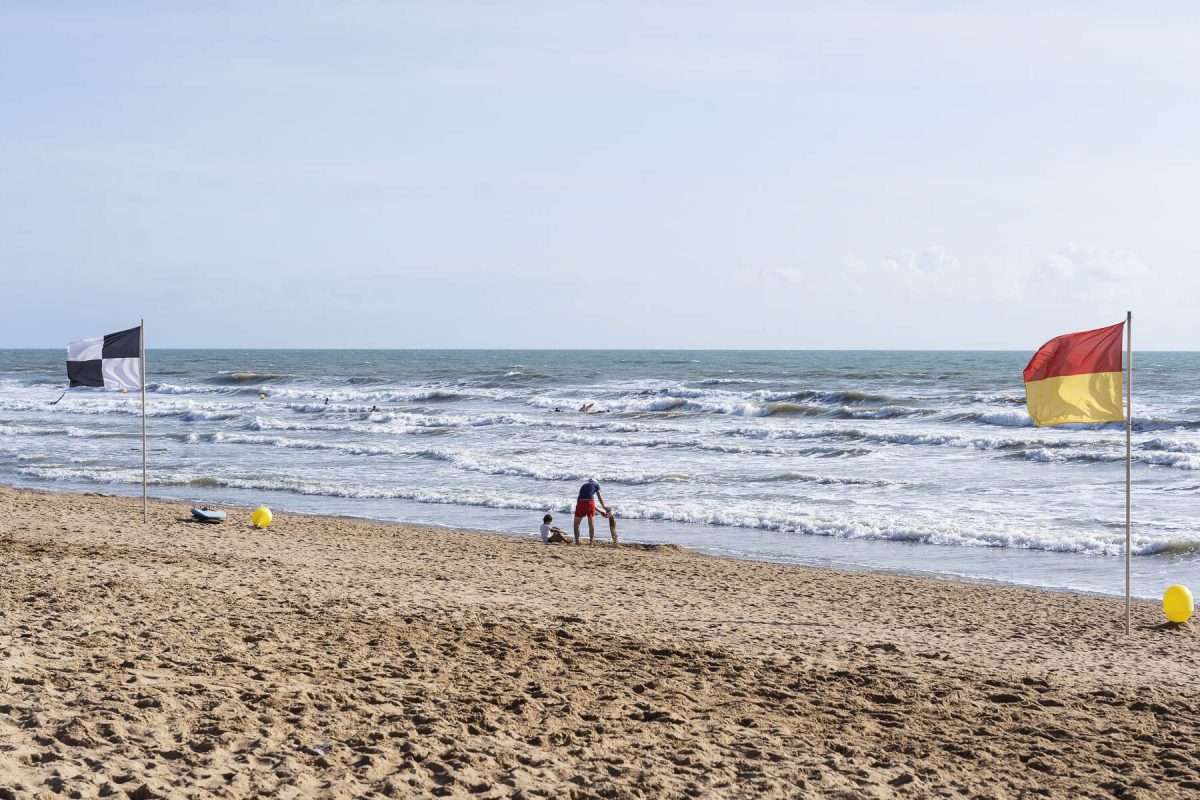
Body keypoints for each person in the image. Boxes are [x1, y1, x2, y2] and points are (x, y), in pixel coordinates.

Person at [573, 478, 609, 546]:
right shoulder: (596, 484)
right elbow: (599, 497)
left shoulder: (583, 485)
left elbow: (580, 500)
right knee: (591, 524)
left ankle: (577, 542)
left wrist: (600, 511)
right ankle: (591, 543)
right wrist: (604, 506)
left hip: (580, 503)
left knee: (576, 525)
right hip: (590, 503)